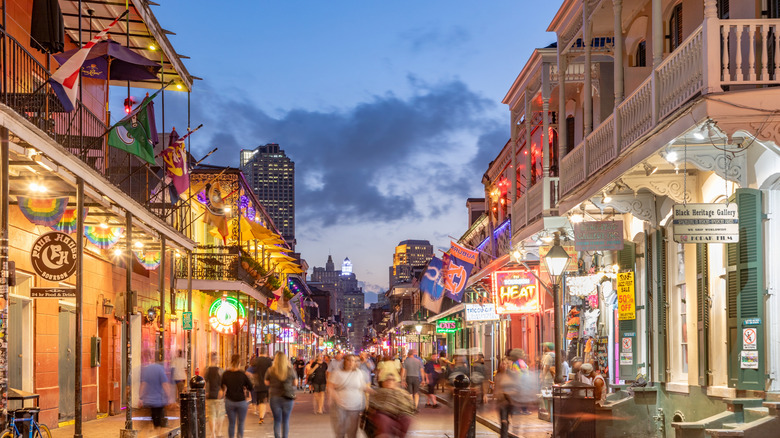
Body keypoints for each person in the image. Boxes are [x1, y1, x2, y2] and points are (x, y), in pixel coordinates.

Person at [329, 354, 371, 438]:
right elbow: (330, 388)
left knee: (353, 432)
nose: (351, 362)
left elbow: (363, 386)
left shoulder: (359, 373)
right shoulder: (337, 373)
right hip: (340, 406)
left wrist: (376, 392)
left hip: (356, 406)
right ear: (344, 361)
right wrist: (336, 399)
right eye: (349, 360)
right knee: (340, 431)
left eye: (353, 361)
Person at [369, 373, 415, 437]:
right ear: (383, 383)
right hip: (384, 413)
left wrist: (407, 412)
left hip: (400, 414)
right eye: (387, 380)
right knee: (383, 419)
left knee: (407, 419)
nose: (390, 382)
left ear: (396, 383)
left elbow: (409, 405)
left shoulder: (403, 393)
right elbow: (372, 403)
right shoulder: (379, 392)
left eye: (392, 380)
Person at [265, 352, 298, 438]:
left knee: (277, 420)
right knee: (285, 420)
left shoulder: (270, 370)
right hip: (287, 397)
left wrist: (273, 383)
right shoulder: (290, 370)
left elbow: (266, 382)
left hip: (274, 397)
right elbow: (295, 383)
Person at [221, 354, 253, 438]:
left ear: (231, 361)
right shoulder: (242, 374)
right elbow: (251, 387)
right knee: (241, 423)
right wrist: (245, 387)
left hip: (229, 400)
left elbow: (222, 386)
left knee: (231, 423)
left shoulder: (226, 374)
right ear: (240, 362)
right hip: (241, 401)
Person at [140, 351, 169, 432]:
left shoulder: (147, 369)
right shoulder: (160, 369)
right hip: (158, 402)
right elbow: (165, 385)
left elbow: (143, 384)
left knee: (146, 426)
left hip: (147, 402)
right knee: (159, 426)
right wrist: (168, 397)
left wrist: (140, 398)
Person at [250, 347, 273, 424]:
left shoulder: (255, 361)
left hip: (259, 384)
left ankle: (261, 417)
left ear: (259, 352)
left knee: (261, 401)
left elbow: (250, 371)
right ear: (266, 352)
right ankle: (272, 415)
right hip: (268, 383)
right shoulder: (269, 361)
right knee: (268, 400)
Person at [204, 352, 225, 438]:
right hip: (219, 395)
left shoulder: (207, 370)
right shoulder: (221, 370)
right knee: (220, 414)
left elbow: (204, 382)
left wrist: (205, 392)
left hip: (210, 395)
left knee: (211, 415)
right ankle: (219, 432)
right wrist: (223, 392)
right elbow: (224, 383)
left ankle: (213, 433)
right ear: (216, 359)